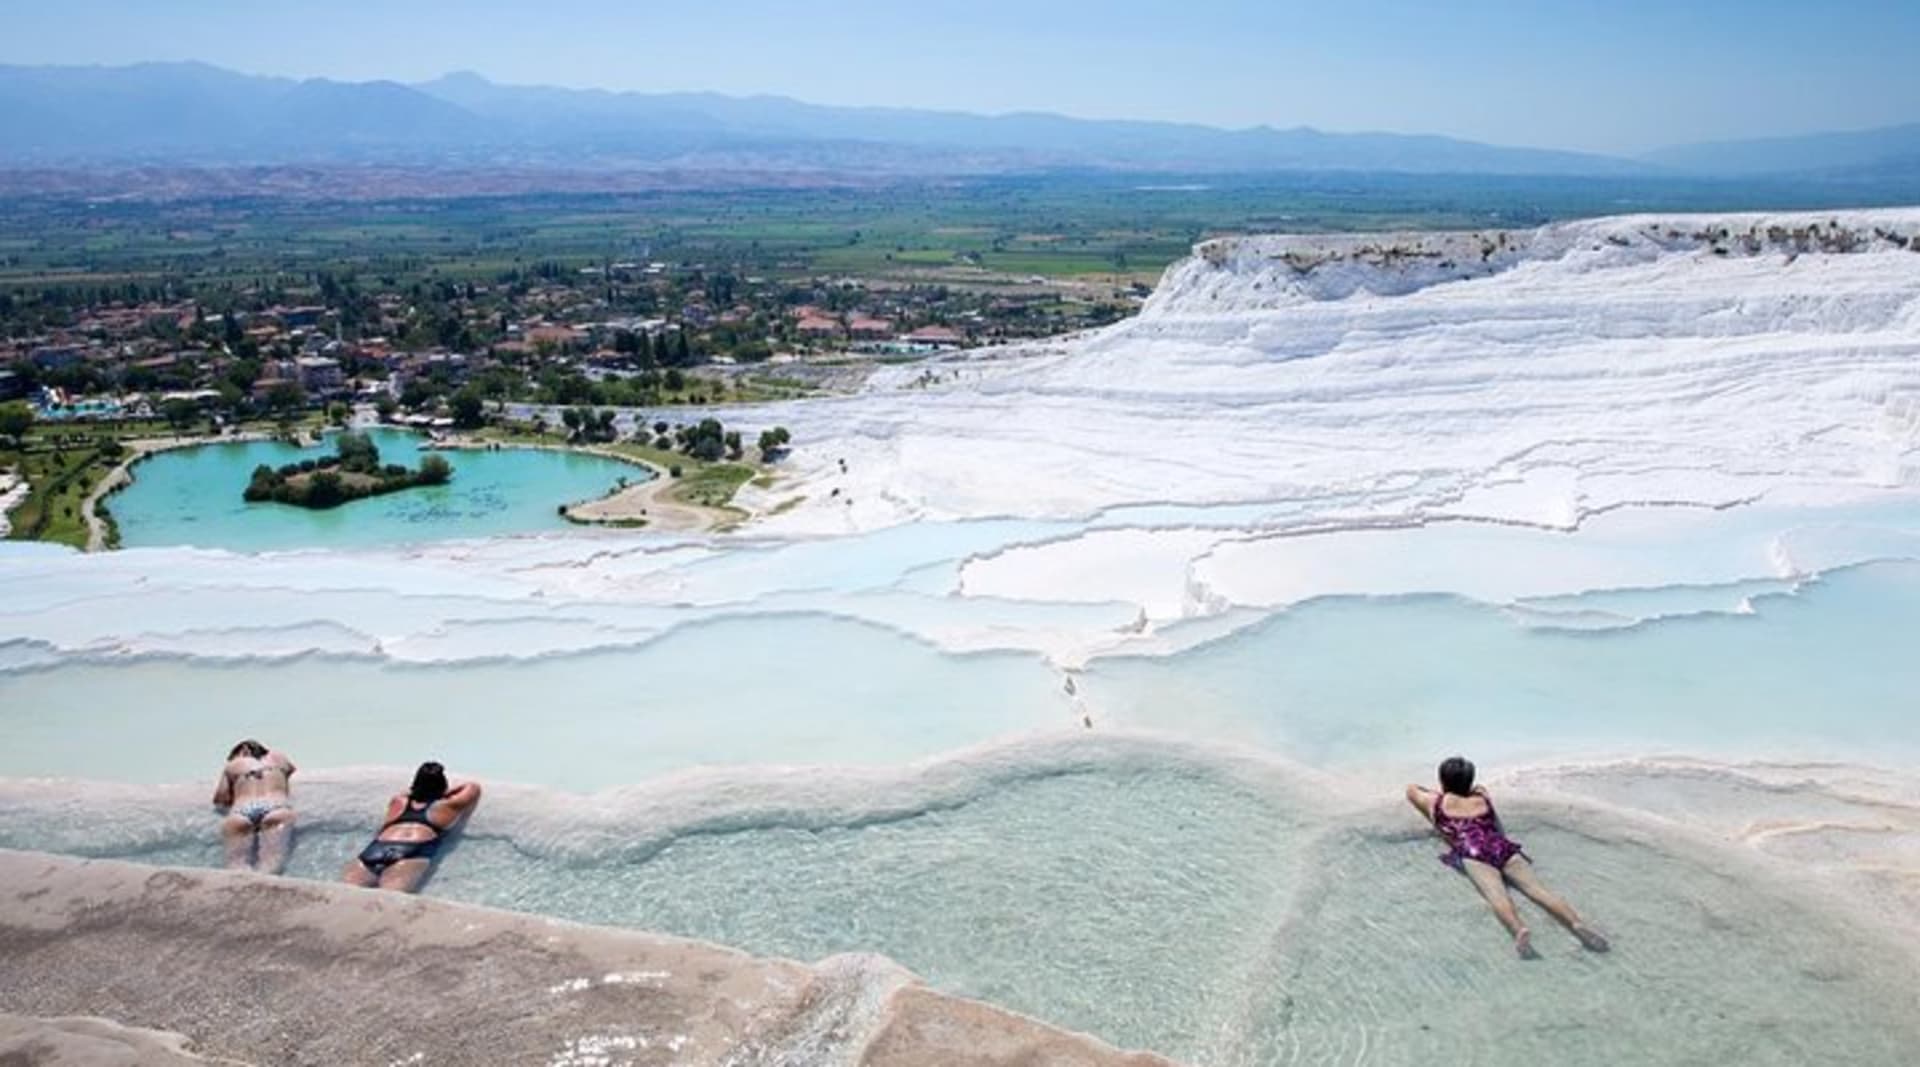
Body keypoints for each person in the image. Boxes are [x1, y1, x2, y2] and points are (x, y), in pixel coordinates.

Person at [1406, 756, 1609, 958]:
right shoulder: (1481, 797)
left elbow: (1412, 789)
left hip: (1474, 852)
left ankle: (1518, 929)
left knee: (1497, 895)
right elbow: (1479, 787)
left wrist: (1440, 792)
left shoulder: (1435, 802)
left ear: (1442, 780)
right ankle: (1576, 923)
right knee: (1538, 890)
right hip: (1502, 847)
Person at [341, 761, 481, 893]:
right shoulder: (447, 806)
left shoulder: (398, 801)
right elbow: (473, 787)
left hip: (375, 849)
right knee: (390, 902)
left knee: (345, 897)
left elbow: (407, 791)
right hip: (411, 851)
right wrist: (444, 793)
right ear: (442, 786)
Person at [212, 739, 297, 874]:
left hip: (241, 810)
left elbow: (221, 799)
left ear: (243, 750)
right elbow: (291, 771)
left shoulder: (233, 765)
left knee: (236, 866)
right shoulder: (279, 758)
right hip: (277, 806)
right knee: (272, 863)